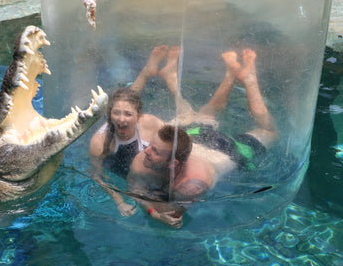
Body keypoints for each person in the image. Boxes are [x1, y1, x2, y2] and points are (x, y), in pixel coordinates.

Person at [125, 46, 278, 228]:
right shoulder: (147, 158)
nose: (146, 152)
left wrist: (156, 215)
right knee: (206, 114)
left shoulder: (192, 185)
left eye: (155, 151)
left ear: (172, 164)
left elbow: (168, 213)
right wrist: (152, 210)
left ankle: (249, 80)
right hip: (192, 138)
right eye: (151, 146)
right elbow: (135, 191)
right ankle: (231, 75)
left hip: (225, 150)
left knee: (270, 132)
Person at [88, 46, 170, 216]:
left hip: (145, 171)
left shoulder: (151, 123)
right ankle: (147, 71)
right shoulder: (100, 142)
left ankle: (148, 72)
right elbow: (97, 175)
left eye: (128, 115)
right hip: (124, 174)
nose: (121, 119)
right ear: (109, 114)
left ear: (139, 115)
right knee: (124, 101)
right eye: (115, 113)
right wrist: (119, 201)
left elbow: (174, 143)